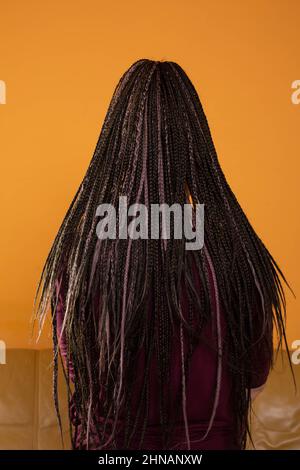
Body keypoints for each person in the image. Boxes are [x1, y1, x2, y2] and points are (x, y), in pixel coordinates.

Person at [33, 59, 292, 450]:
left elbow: (79, 377)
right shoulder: (237, 255)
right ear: (195, 145)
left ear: (116, 143)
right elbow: (254, 382)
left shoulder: (80, 257)